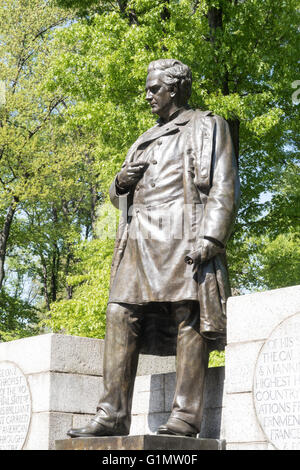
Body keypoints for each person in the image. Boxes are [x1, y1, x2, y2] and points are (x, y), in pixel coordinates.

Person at [67, 59, 240, 439]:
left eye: (153, 89)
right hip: (139, 240)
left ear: (174, 89)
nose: (147, 96)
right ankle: (111, 414)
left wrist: (211, 238)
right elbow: (119, 197)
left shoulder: (208, 125)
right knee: (119, 313)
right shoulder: (145, 135)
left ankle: (185, 416)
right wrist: (119, 182)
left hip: (183, 232)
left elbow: (224, 185)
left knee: (188, 314)